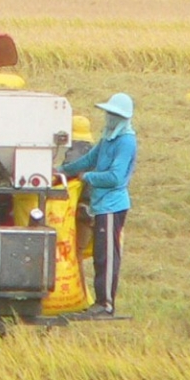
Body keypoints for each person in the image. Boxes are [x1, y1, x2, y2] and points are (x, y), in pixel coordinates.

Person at [58, 93, 137, 317]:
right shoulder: (107, 138)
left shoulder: (126, 141)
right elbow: (89, 160)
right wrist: (63, 171)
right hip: (101, 205)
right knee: (100, 254)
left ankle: (106, 304)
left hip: (112, 206)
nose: (109, 118)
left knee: (107, 256)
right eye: (109, 113)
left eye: (114, 115)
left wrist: (88, 178)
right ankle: (100, 301)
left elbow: (116, 177)